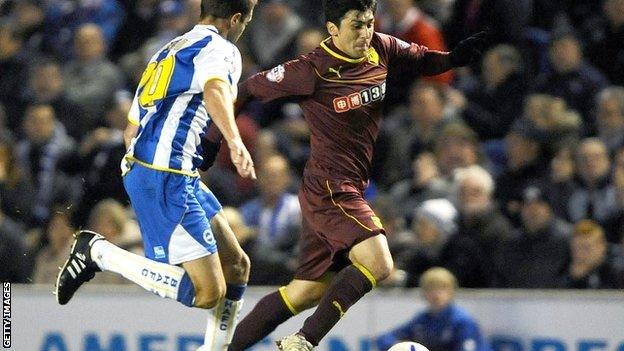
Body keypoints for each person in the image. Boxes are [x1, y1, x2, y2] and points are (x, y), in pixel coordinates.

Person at [205, 0, 486, 349]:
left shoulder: (380, 47)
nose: (365, 32)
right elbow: (244, 91)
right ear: (333, 29)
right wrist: (212, 142)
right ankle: (304, 341)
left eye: (369, 23)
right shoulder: (311, 69)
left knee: (305, 291)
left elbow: (420, 58)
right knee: (379, 262)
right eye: (357, 25)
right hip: (330, 188)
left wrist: (452, 59)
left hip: (346, 185)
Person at [55, 1, 257, 351]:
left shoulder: (167, 50)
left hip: (169, 171)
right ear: (236, 19)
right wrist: (235, 141)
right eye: (246, 22)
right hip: (165, 174)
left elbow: (130, 129)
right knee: (208, 292)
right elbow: (215, 91)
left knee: (237, 265)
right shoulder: (221, 48)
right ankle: (98, 253)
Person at [375, 267, 491, 351]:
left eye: (442, 289)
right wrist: (401, 347)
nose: (436, 295)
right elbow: (384, 339)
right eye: (431, 289)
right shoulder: (423, 320)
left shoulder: (462, 321)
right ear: (424, 293)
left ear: (451, 292)